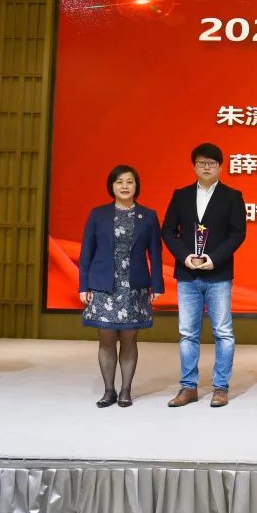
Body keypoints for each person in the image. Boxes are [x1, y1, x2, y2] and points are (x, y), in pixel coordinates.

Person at [161, 143, 246, 408]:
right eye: (201, 163)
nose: (206, 167)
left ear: (220, 167)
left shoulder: (232, 196)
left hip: (218, 274)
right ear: (194, 166)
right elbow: (168, 230)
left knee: (223, 332)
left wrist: (214, 258)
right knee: (188, 333)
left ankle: (221, 387)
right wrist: (184, 256)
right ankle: (188, 387)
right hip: (187, 274)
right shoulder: (181, 195)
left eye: (212, 163)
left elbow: (238, 233)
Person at [78, 165, 164, 408]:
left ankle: (126, 390)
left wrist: (157, 285)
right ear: (112, 186)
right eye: (119, 182)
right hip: (103, 286)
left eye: (129, 181)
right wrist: (83, 285)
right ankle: (109, 391)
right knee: (106, 340)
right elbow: (86, 253)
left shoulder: (148, 216)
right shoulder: (98, 214)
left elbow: (155, 254)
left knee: (129, 340)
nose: (125, 186)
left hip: (133, 287)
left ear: (137, 186)